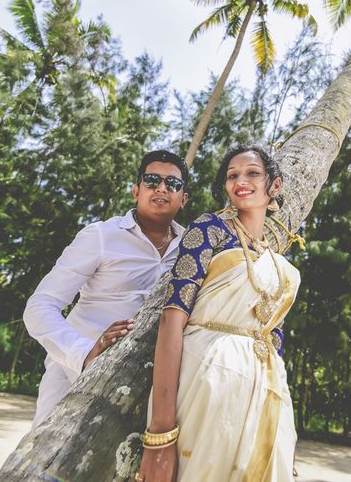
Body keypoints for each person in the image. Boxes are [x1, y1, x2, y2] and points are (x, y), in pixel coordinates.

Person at [136, 146, 301, 482]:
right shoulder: (209, 229)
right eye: (232, 175)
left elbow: (274, 335)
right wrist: (160, 435)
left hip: (267, 389)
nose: (241, 180)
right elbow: (172, 318)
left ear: (276, 185)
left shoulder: (275, 259)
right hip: (206, 380)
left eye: (252, 173)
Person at [23, 150, 189, 430]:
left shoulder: (191, 249)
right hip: (74, 375)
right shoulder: (100, 236)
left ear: (183, 199)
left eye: (172, 184)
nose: (162, 188)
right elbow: (39, 307)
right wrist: (85, 353)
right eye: (152, 180)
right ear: (136, 191)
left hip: (149, 389)